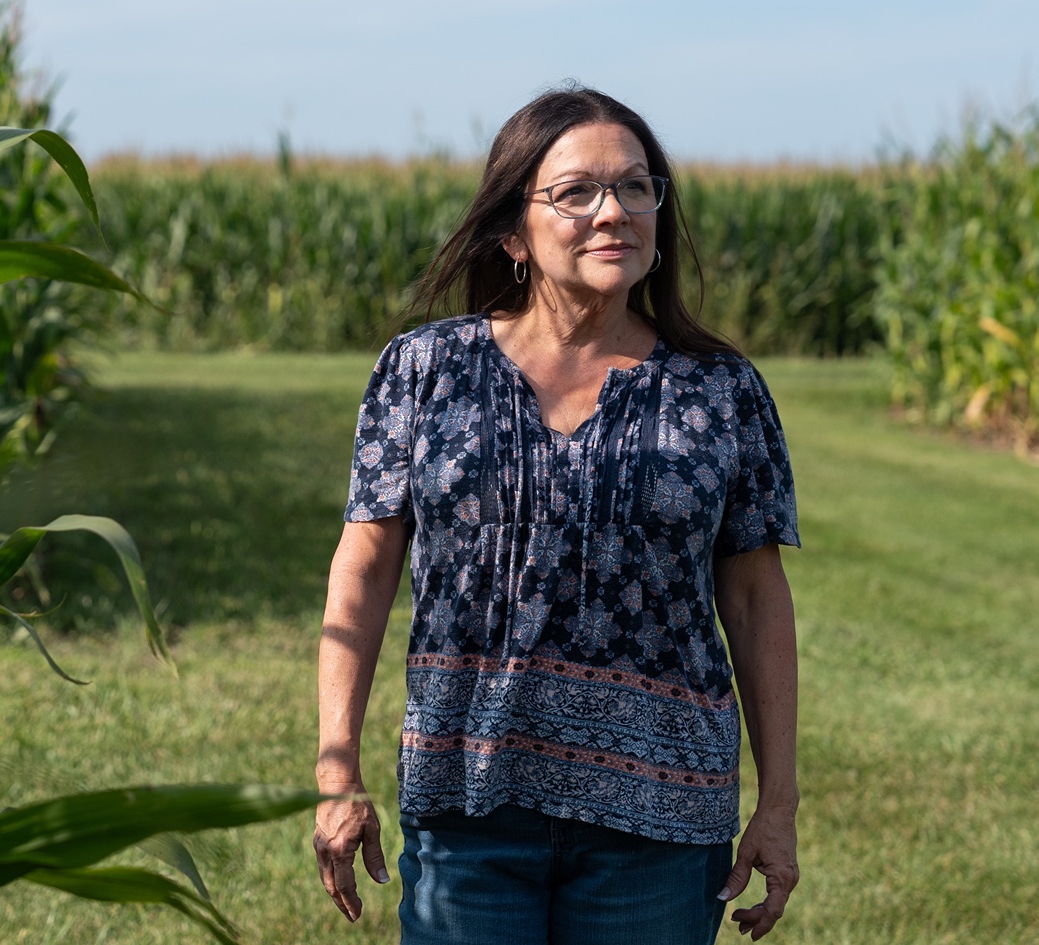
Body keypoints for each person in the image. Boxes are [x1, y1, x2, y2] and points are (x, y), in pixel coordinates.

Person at [313, 85, 801, 944]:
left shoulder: (721, 390)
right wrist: (336, 764)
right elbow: (364, 565)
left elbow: (757, 599)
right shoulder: (424, 371)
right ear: (514, 233)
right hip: (468, 807)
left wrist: (780, 801)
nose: (613, 212)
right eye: (577, 192)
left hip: (662, 822)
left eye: (636, 187)